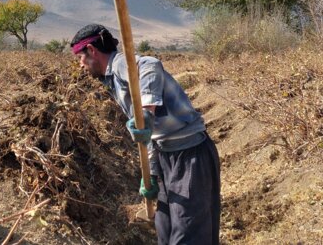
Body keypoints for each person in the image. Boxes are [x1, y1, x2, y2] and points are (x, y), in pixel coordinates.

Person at [70, 24, 220, 244]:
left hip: (191, 155)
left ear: (92, 50)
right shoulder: (113, 81)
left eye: (79, 58)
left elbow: (151, 64)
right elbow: (146, 132)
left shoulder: (121, 64)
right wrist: (151, 170)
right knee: (165, 231)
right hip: (166, 155)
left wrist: (147, 111)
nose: (80, 65)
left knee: (189, 235)